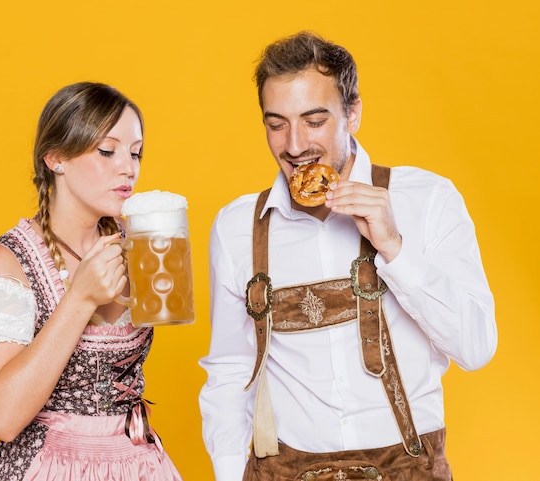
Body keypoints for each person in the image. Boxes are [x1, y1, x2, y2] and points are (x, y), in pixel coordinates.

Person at [198, 31, 497, 481]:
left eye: (314, 120)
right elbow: (228, 370)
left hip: (408, 469)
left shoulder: (428, 198)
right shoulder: (237, 227)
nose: (294, 146)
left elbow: (476, 348)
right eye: (276, 124)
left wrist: (395, 249)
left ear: (352, 112)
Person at [0, 82, 183, 481]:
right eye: (107, 151)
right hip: (49, 466)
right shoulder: (6, 262)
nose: (128, 167)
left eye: (136, 152)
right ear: (56, 158)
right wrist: (79, 299)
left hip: (139, 463)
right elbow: (2, 418)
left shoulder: (140, 243)